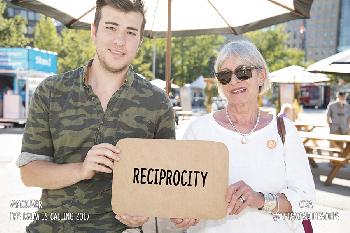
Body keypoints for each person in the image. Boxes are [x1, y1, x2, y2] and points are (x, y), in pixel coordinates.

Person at [17, 0, 175, 232]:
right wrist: (81, 169)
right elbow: (29, 173)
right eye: (111, 27)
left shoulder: (158, 102)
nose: (120, 41)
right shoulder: (51, 91)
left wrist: (146, 209)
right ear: (94, 31)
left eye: (131, 32)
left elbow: (165, 180)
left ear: (140, 41)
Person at [171, 40, 315, 233]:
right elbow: (179, 192)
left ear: (261, 76)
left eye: (243, 72)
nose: (234, 81)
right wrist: (183, 211)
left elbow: (306, 201)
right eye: (224, 75)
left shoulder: (284, 130)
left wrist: (260, 200)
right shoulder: (198, 130)